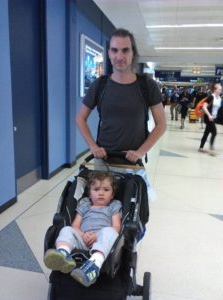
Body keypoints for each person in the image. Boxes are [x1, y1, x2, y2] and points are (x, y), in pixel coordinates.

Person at [76, 28, 166, 164]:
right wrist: (93, 146)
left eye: (125, 50)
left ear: (133, 53)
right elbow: (80, 118)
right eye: (114, 50)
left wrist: (141, 152)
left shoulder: (147, 85)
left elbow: (161, 124)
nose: (119, 56)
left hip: (133, 161)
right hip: (104, 159)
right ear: (108, 53)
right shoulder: (100, 85)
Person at [44, 171, 122, 287]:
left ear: (112, 194)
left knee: (110, 231)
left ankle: (94, 264)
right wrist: (82, 234)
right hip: (83, 240)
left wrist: (97, 235)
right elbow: (75, 225)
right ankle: (63, 254)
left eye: (106, 190)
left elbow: (116, 227)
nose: (101, 193)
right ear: (90, 193)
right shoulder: (85, 204)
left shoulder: (114, 205)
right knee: (67, 230)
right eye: (96, 189)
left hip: (103, 242)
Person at [198, 83, 222, 156]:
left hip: (214, 118)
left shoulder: (220, 98)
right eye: (219, 89)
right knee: (214, 132)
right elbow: (204, 107)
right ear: (215, 89)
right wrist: (209, 115)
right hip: (209, 118)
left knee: (207, 132)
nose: (220, 90)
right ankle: (211, 150)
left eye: (221, 89)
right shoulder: (211, 97)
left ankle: (201, 148)